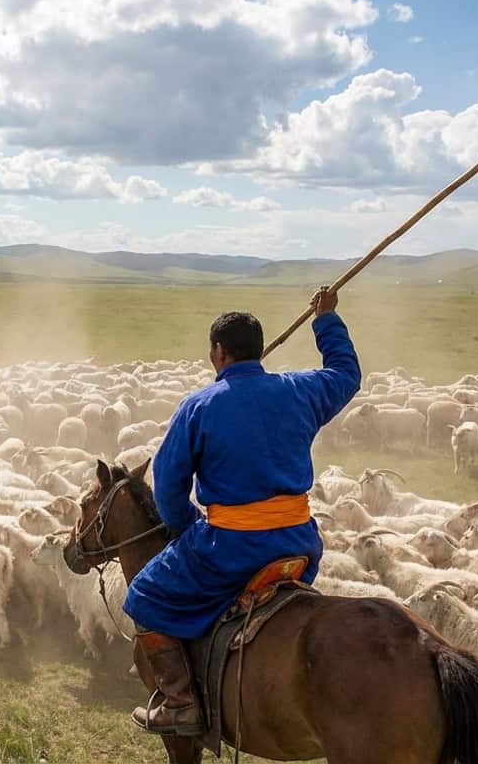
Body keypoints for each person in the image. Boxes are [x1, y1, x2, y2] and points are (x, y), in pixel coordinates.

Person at [122, 286, 362, 736]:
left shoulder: (198, 406)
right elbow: (346, 374)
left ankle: (179, 704)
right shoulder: (300, 390)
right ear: (257, 349)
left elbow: (170, 487)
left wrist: (186, 528)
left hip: (231, 548)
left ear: (218, 352)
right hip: (299, 543)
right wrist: (326, 320)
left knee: (145, 596)